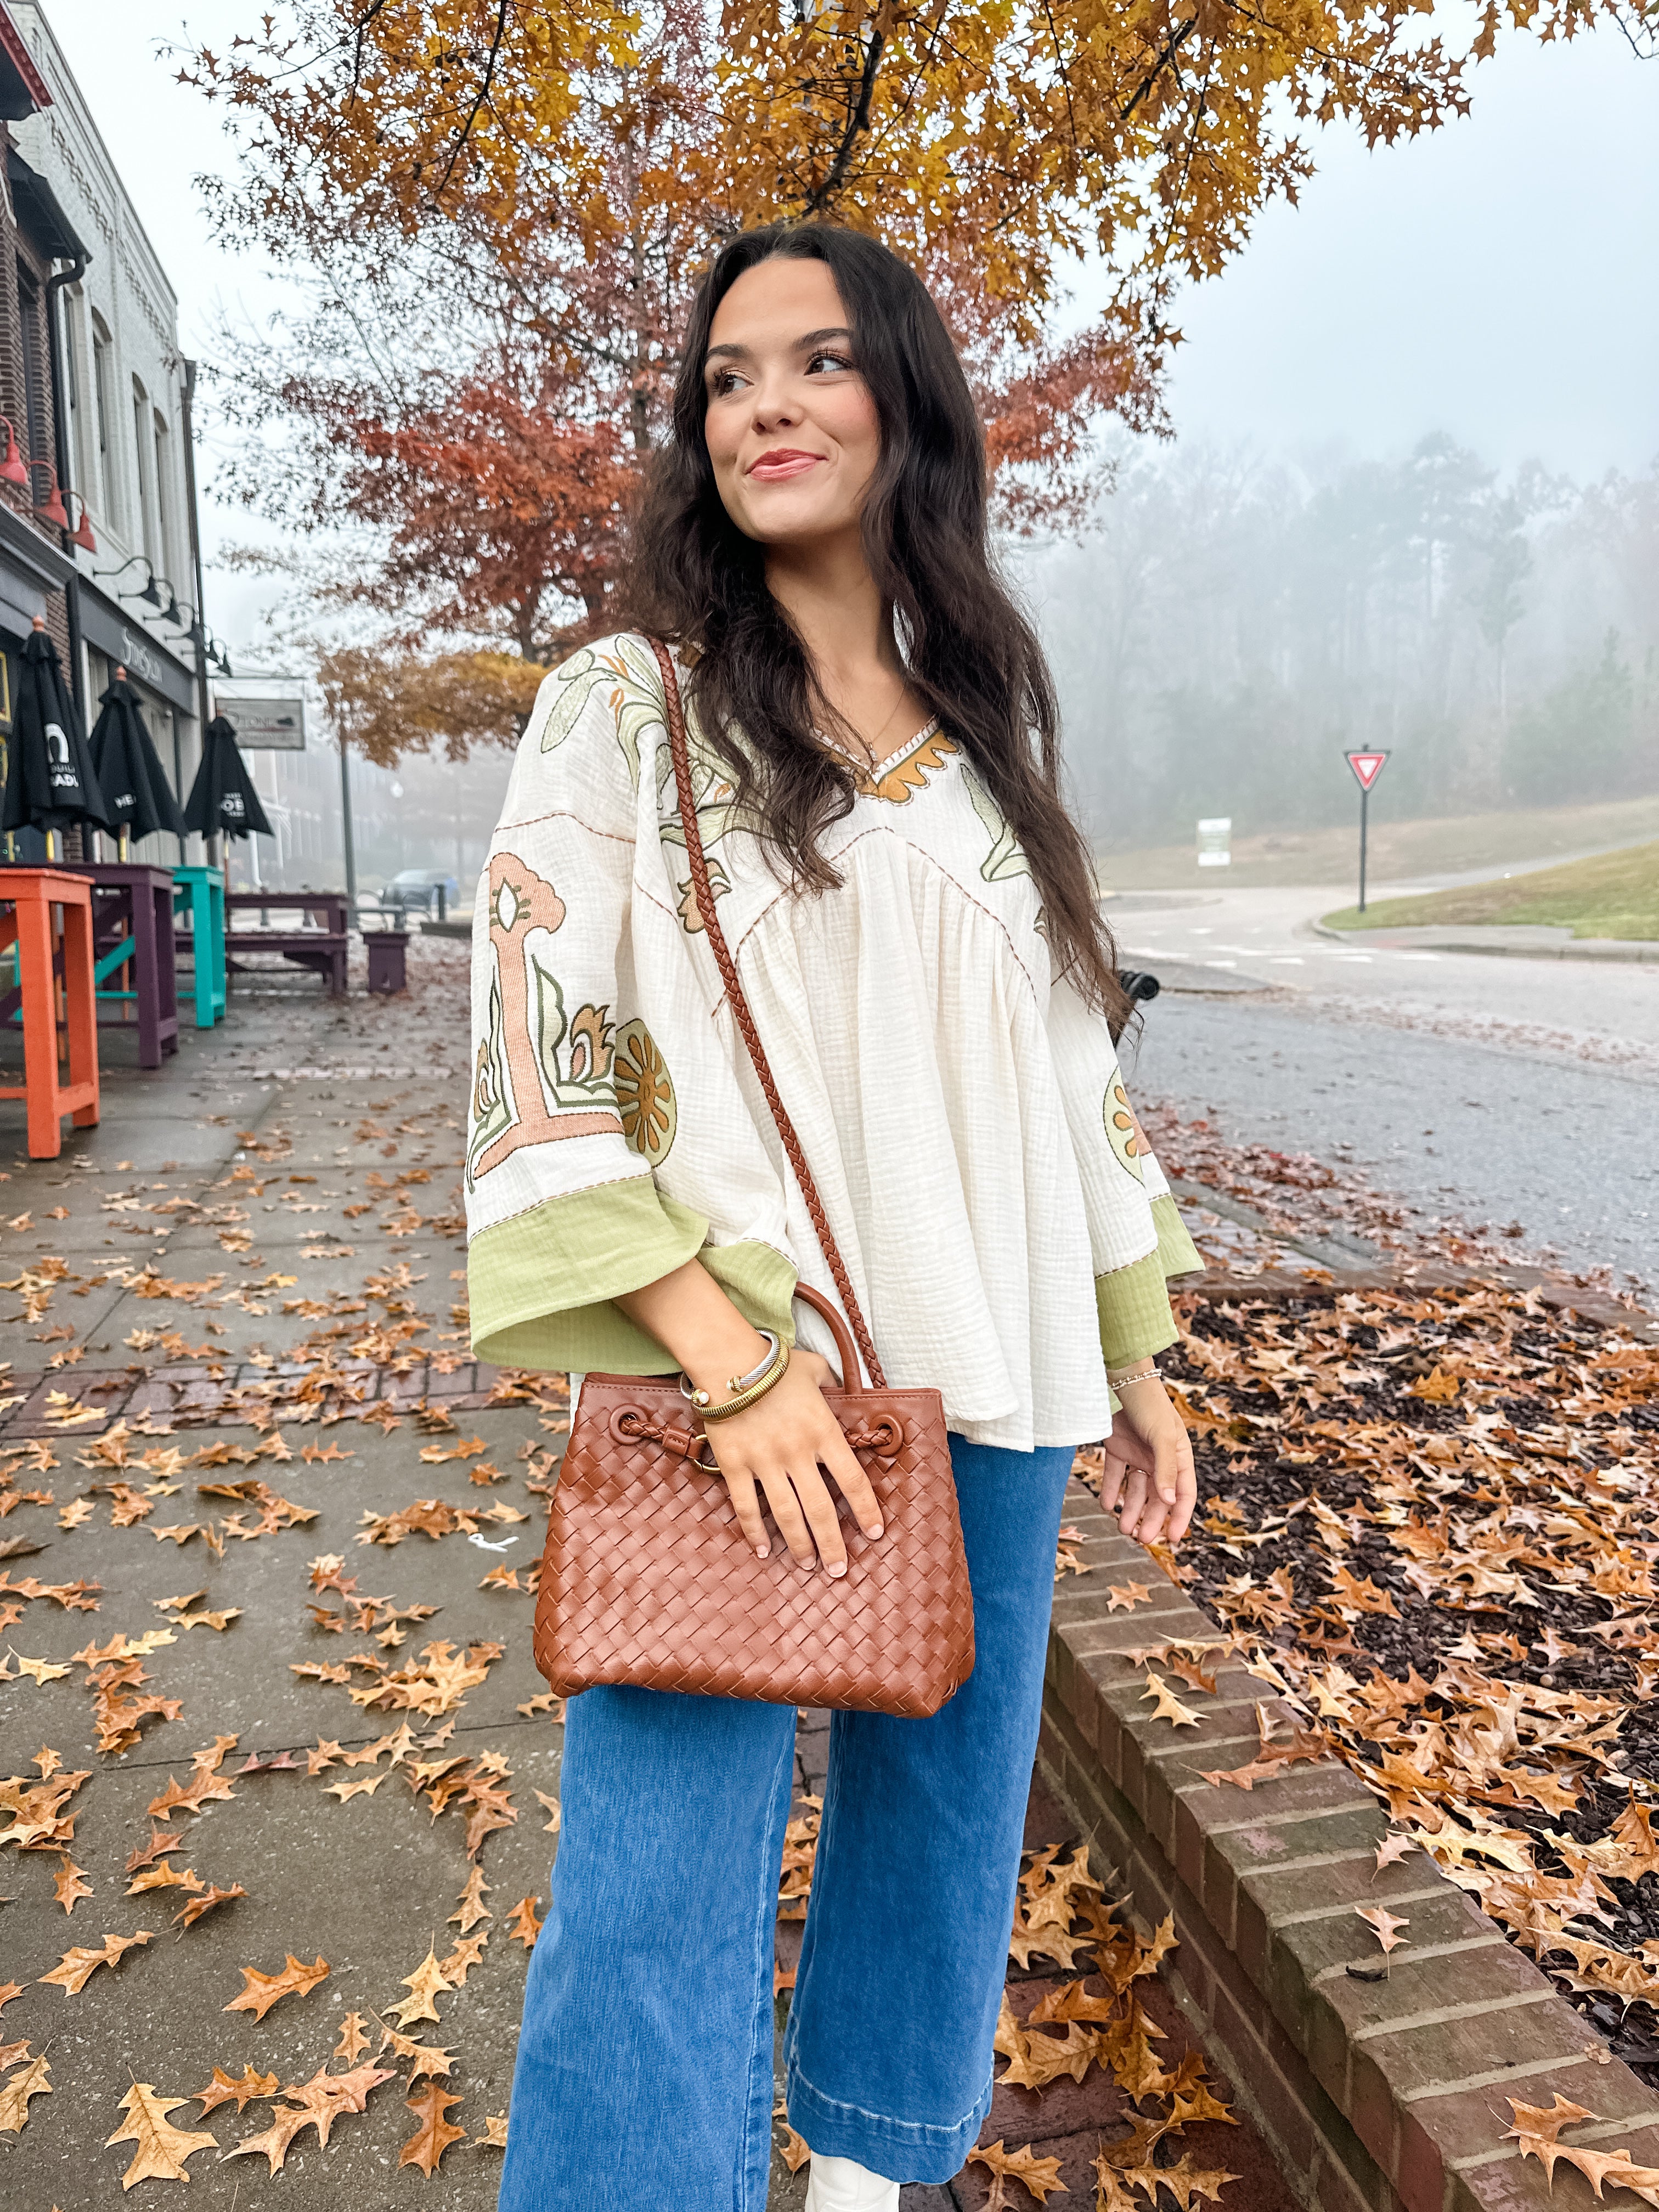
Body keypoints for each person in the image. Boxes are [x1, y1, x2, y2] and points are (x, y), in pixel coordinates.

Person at [466, 221, 1200, 2212]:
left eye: (815, 360)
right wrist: (729, 1362)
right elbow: (546, 1043)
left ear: (907, 402)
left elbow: (1072, 1080)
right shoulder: (632, 708)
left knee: (946, 1836)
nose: (766, 403)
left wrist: (1133, 1353)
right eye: (725, 376)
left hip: (1005, 1358)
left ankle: (873, 2176)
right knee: (648, 1895)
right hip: (745, 1375)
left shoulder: (983, 746)